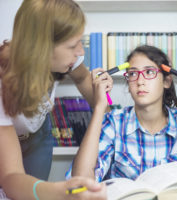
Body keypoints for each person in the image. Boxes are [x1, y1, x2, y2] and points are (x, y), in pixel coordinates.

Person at [0, 0, 106, 199]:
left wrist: (109, 117)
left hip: (38, 136)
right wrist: (61, 191)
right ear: (41, 47)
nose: (81, 52)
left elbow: (83, 78)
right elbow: (11, 176)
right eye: (73, 45)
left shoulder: (69, 58)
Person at [68, 45, 177, 184]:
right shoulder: (114, 122)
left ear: (166, 81)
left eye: (149, 72)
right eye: (133, 73)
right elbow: (81, 179)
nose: (140, 81)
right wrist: (100, 106)